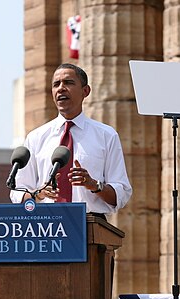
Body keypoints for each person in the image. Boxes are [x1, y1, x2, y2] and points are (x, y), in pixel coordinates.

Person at [10, 63, 132, 215]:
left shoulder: (106, 135)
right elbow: (17, 192)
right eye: (56, 84)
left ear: (85, 91)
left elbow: (121, 194)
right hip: (46, 226)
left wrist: (94, 185)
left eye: (68, 82)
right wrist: (38, 194)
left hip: (90, 225)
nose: (61, 88)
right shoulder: (36, 137)